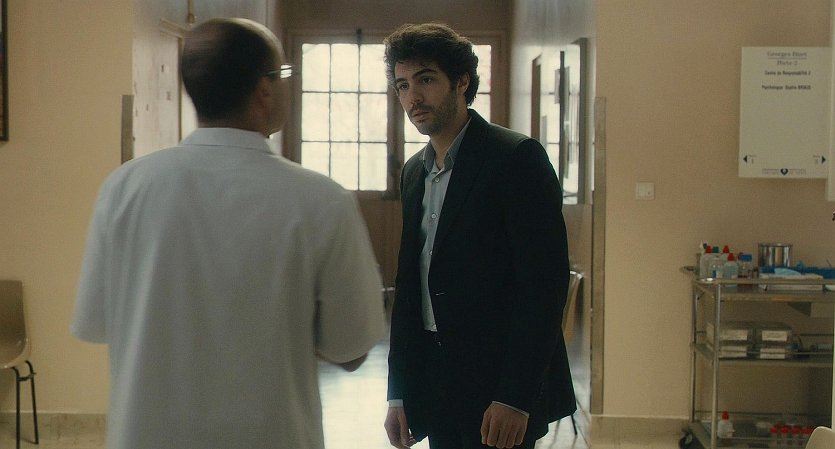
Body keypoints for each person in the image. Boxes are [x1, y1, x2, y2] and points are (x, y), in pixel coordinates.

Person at [71, 18, 386, 449]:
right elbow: (351, 349)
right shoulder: (321, 200)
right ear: (264, 89)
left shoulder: (125, 188)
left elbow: (98, 322)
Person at [382, 23, 576, 449]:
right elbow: (410, 287)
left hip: (499, 385)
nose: (413, 97)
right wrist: (399, 391)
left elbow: (543, 288)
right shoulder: (414, 172)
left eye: (426, 80)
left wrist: (515, 396)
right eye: (402, 85)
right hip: (435, 381)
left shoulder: (515, 158)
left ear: (462, 81)